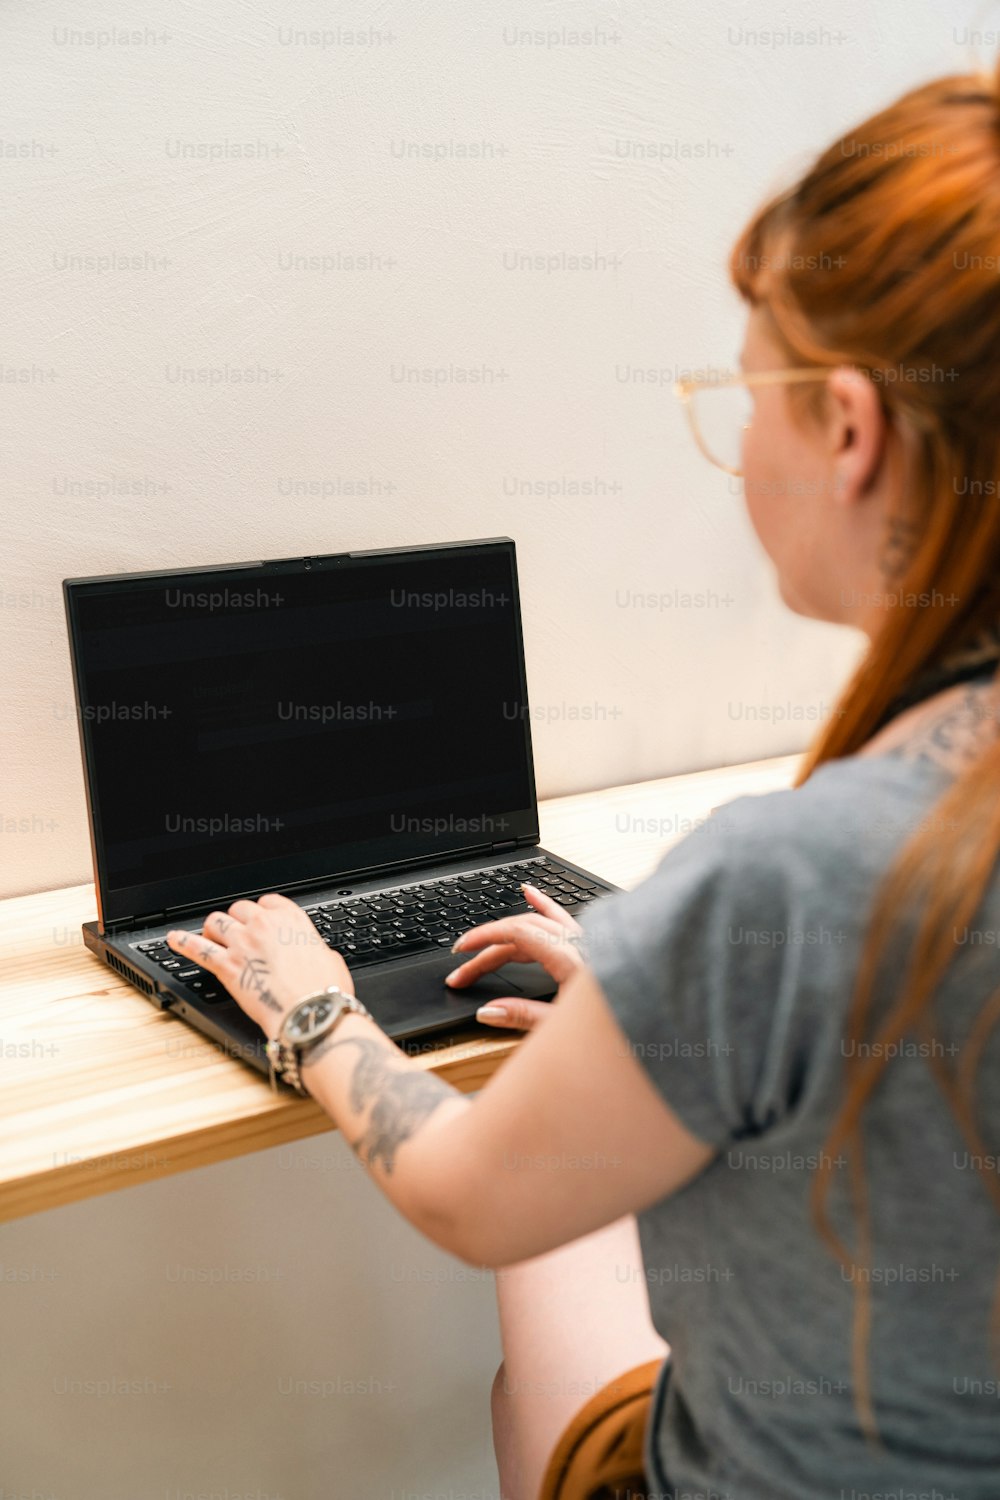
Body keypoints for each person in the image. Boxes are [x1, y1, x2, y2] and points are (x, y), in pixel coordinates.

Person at [167, 57, 1000, 1500]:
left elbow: (470, 1199)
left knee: (550, 1250)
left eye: (750, 396)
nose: (742, 443)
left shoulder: (790, 875)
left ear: (853, 429)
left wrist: (310, 1005)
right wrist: (648, 983)